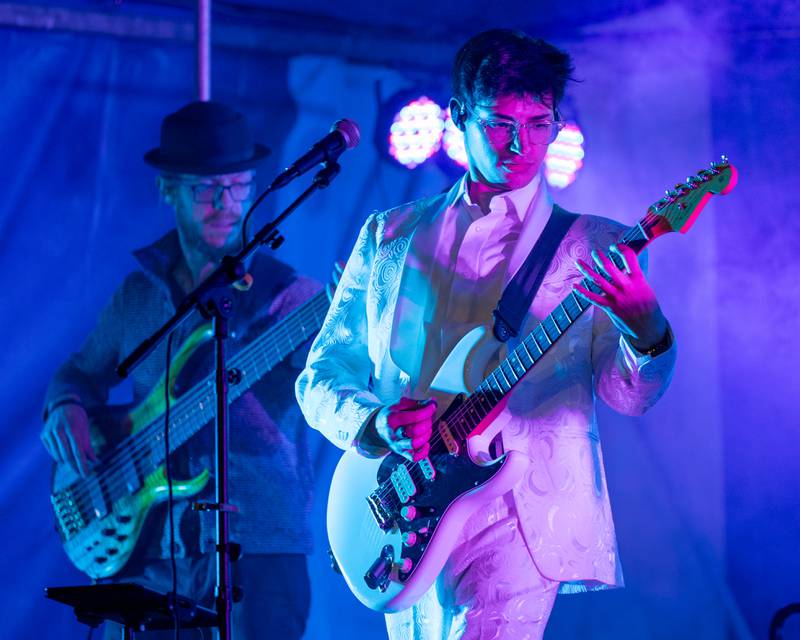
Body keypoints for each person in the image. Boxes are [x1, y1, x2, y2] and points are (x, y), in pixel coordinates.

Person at [296, 29, 677, 640]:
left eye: (539, 122)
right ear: (456, 117)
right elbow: (322, 376)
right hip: (407, 506)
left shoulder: (596, 245)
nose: (522, 143)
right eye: (500, 122)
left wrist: (648, 331)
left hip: (522, 511)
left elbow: (627, 394)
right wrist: (375, 424)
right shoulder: (388, 235)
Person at [41, 101, 318, 639]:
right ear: (167, 189)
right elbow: (78, 372)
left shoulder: (292, 297)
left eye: (238, 186)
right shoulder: (139, 295)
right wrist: (65, 405)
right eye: (204, 190)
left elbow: (337, 382)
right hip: (153, 554)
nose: (225, 204)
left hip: (258, 548)